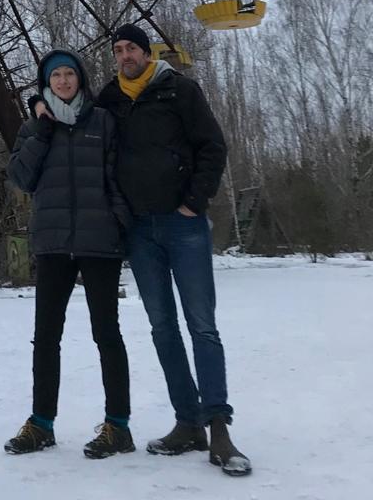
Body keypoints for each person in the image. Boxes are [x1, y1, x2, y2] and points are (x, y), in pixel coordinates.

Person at [96, 23, 252, 477]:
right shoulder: (109, 100)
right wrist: (38, 102)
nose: (125, 55)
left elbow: (212, 147)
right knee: (163, 327)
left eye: (131, 48)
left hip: (183, 226)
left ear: (147, 53)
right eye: (118, 50)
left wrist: (193, 202)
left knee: (202, 326)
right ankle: (187, 423)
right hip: (140, 232)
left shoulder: (179, 91)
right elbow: (79, 125)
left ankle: (218, 426)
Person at [4, 48, 134, 460]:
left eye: (69, 74)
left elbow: (118, 177)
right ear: (46, 82)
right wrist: (42, 133)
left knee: (106, 334)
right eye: (55, 75)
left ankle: (118, 426)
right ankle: (41, 423)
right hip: (54, 243)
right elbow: (21, 178)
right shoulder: (32, 128)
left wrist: (120, 225)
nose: (63, 80)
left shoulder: (102, 122)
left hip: (99, 242)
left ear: (80, 79)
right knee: (46, 337)